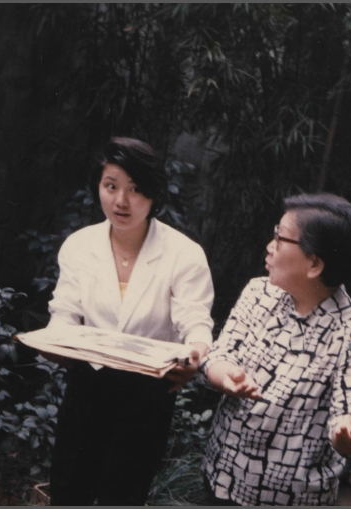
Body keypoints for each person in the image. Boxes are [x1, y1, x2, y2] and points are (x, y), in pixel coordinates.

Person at [46, 137, 214, 505]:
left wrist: (196, 353)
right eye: (111, 186)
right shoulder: (79, 246)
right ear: (98, 187)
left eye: (135, 189)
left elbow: (195, 320)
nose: (121, 201)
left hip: (147, 394)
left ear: (154, 194)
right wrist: (53, 343)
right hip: (87, 384)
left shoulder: (184, 254)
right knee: (68, 492)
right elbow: (64, 313)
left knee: (122, 496)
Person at [200, 193, 351, 506]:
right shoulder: (258, 293)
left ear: (314, 264)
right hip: (221, 478)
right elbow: (220, 353)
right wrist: (224, 374)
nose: (269, 247)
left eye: (279, 238)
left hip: (287, 499)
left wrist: (350, 435)